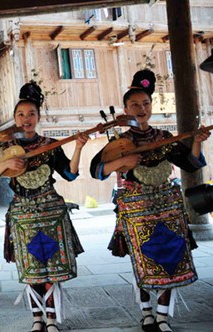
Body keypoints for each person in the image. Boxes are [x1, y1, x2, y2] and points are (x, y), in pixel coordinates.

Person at [90, 69, 210, 332]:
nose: (140, 108)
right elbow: (96, 170)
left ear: (151, 106)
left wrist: (197, 143)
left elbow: (190, 163)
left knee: (170, 260)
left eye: (145, 103)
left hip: (168, 207)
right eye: (134, 104)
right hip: (136, 210)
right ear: (125, 109)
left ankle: (163, 316)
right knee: (142, 261)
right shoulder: (120, 142)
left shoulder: (164, 138)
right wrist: (122, 161)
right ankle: (146, 313)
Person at [0, 81, 88, 332]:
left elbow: (70, 175)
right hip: (23, 215)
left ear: (38, 117)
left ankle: (51, 318)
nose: (26, 118)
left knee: (52, 267)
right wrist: (6, 166)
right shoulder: (5, 148)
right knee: (31, 269)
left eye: (31, 114)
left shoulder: (50, 145)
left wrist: (79, 148)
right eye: (21, 114)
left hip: (51, 211)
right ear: (14, 118)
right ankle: (37, 318)